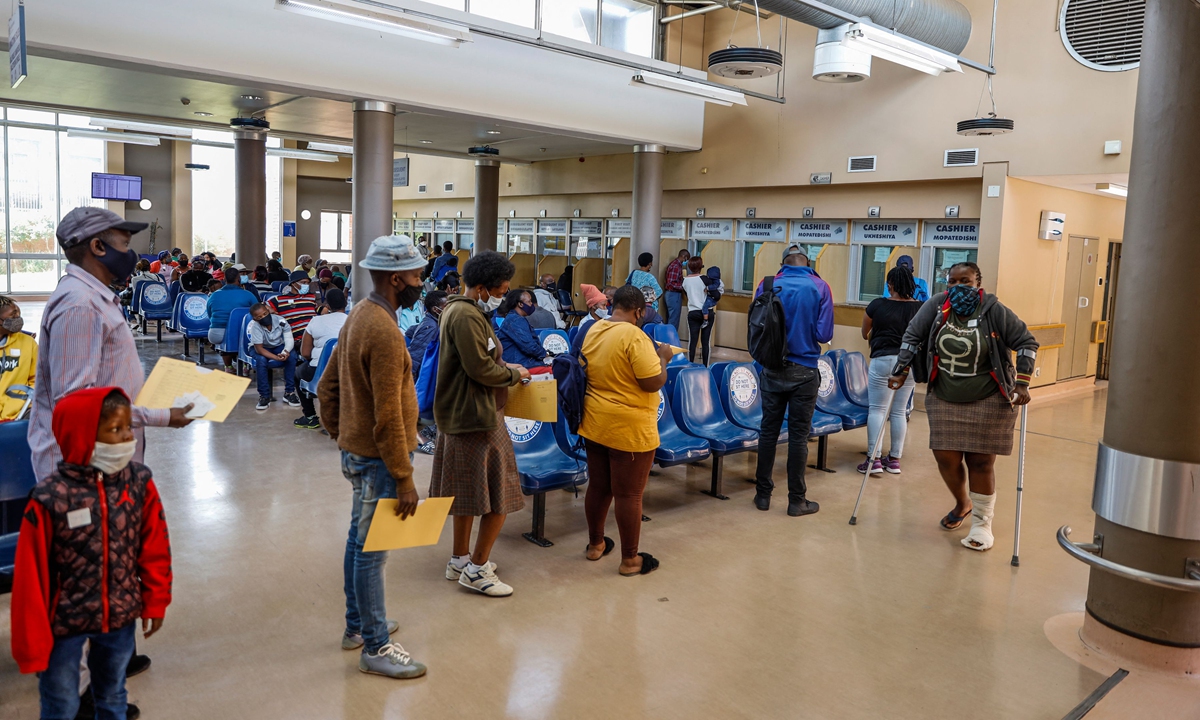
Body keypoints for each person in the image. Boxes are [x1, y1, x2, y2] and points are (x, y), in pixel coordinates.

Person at [11, 387, 172, 720]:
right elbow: (30, 577)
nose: (128, 437)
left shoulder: (139, 483)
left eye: (129, 427)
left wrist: (155, 600)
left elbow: (154, 546)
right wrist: (31, 645)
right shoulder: (48, 498)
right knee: (61, 702)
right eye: (116, 430)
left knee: (112, 695)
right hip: (63, 626)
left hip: (119, 617)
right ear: (82, 435)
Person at [318, 234, 428, 679]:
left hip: (360, 451)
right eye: (419, 275)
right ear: (397, 278)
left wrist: (342, 434)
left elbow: (327, 387)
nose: (424, 282)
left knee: (356, 541)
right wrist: (403, 476)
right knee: (372, 550)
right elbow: (387, 416)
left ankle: (358, 627)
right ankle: (377, 646)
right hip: (382, 458)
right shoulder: (383, 329)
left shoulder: (359, 313)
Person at [889, 261, 1037, 551]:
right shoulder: (936, 305)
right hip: (945, 395)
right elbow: (911, 336)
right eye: (952, 282)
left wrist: (1022, 383)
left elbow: (1026, 342)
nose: (958, 287)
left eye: (965, 281)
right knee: (946, 457)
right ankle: (963, 503)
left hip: (989, 397)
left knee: (981, 461)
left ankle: (982, 524)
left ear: (977, 283)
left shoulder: (993, 309)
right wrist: (901, 368)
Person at [428, 251, 530, 598]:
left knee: (468, 493)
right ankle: (477, 569)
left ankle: (460, 558)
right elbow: (481, 369)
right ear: (483, 288)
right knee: (501, 494)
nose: (504, 294)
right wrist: (514, 374)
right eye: (501, 289)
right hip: (475, 416)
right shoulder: (466, 316)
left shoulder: (460, 309)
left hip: (466, 414)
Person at [580, 286, 674, 576]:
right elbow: (652, 382)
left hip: (595, 422)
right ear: (639, 311)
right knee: (629, 495)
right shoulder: (635, 335)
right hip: (629, 429)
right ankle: (630, 560)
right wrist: (664, 358)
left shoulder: (594, 329)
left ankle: (596, 545)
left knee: (598, 486)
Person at [752, 246, 833, 517]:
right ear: (808, 262)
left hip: (772, 369)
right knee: (798, 437)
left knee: (768, 432)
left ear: (782, 263)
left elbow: (756, 327)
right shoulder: (820, 286)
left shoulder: (767, 284)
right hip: (805, 370)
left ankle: (762, 495)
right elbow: (824, 334)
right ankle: (796, 501)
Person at [859, 266, 923, 474]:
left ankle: (873, 460)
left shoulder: (877, 305)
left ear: (890, 285)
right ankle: (894, 460)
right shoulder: (920, 308)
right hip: (909, 364)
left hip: (882, 359)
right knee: (898, 411)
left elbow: (864, 333)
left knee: (877, 409)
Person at [294, 288, 348, 430]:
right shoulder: (356, 321)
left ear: (327, 306)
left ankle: (310, 417)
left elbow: (305, 353)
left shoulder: (316, 321)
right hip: (350, 373)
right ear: (346, 303)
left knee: (298, 373)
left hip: (320, 372)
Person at [248, 303, 300, 412]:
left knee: (292, 356)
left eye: (265, 314)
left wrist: (285, 352)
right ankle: (264, 396)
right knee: (261, 360)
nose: (264, 317)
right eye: (260, 317)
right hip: (259, 347)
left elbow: (289, 339)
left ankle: (289, 393)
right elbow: (259, 350)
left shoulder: (281, 321)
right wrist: (276, 357)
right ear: (255, 319)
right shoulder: (256, 327)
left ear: (268, 311)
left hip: (277, 345)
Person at [206, 266, 257, 372]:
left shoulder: (214, 295)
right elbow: (256, 313)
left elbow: (210, 315)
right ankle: (245, 365)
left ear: (224, 279)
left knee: (228, 338)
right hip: (240, 333)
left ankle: (228, 366)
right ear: (239, 279)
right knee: (242, 335)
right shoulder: (248, 295)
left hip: (216, 334)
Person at [0, 296, 36, 421]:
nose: (18, 319)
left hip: (20, 411)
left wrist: (29, 401)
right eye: (13, 315)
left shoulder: (28, 343)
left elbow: (36, 378)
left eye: (19, 314)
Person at [496, 289, 550, 369]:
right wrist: (545, 355)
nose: (531, 304)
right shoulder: (515, 321)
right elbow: (530, 347)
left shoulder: (516, 319)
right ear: (520, 304)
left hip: (524, 362)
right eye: (529, 302)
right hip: (521, 364)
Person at [405, 291, 447, 383]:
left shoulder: (435, 323)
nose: (449, 309)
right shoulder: (430, 327)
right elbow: (415, 356)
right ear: (435, 309)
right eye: (446, 306)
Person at [269, 271, 319, 342]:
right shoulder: (279, 300)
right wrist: (271, 311)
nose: (306, 285)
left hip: (316, 335)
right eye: (303, 283)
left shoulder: (311, 297)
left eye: (308, 283)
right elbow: (260, 307)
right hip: (298, 339)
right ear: (293, 283)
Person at [683, 257, 713, 365]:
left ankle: (690, 364)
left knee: (693, 341)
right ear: (701, 267)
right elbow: (714, 292)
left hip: (693, 312)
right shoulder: (705, 279)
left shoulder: (685, 280)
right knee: (705, 342)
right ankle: (706, 367)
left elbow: (687, 295)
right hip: (707, 312)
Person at [663, 248, 689, 332]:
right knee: (673, 320)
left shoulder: (675, 265)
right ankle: (671, 341)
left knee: (671, 318)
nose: (686, 261)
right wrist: (683, 286)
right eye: (686, 259)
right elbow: (671, 283)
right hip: (673, 294)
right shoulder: (676, 266)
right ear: (683, 256)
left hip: (670, 294)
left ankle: (668, 339)